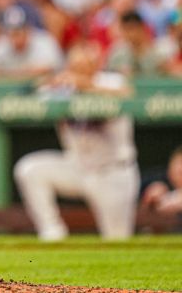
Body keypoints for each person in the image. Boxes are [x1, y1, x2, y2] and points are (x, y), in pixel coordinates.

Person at [14, 42, 139, 241]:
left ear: (96, 65)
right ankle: (52, 232)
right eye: (75, 67)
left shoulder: (110, 81)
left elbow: (128, 96)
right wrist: (47, 82)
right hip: (78, 169)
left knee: (117, 241)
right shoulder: (65, 87)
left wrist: (87, 86)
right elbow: (24, 95)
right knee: (30, 169)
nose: (79, 71)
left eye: (85, 66)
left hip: (113, 172)